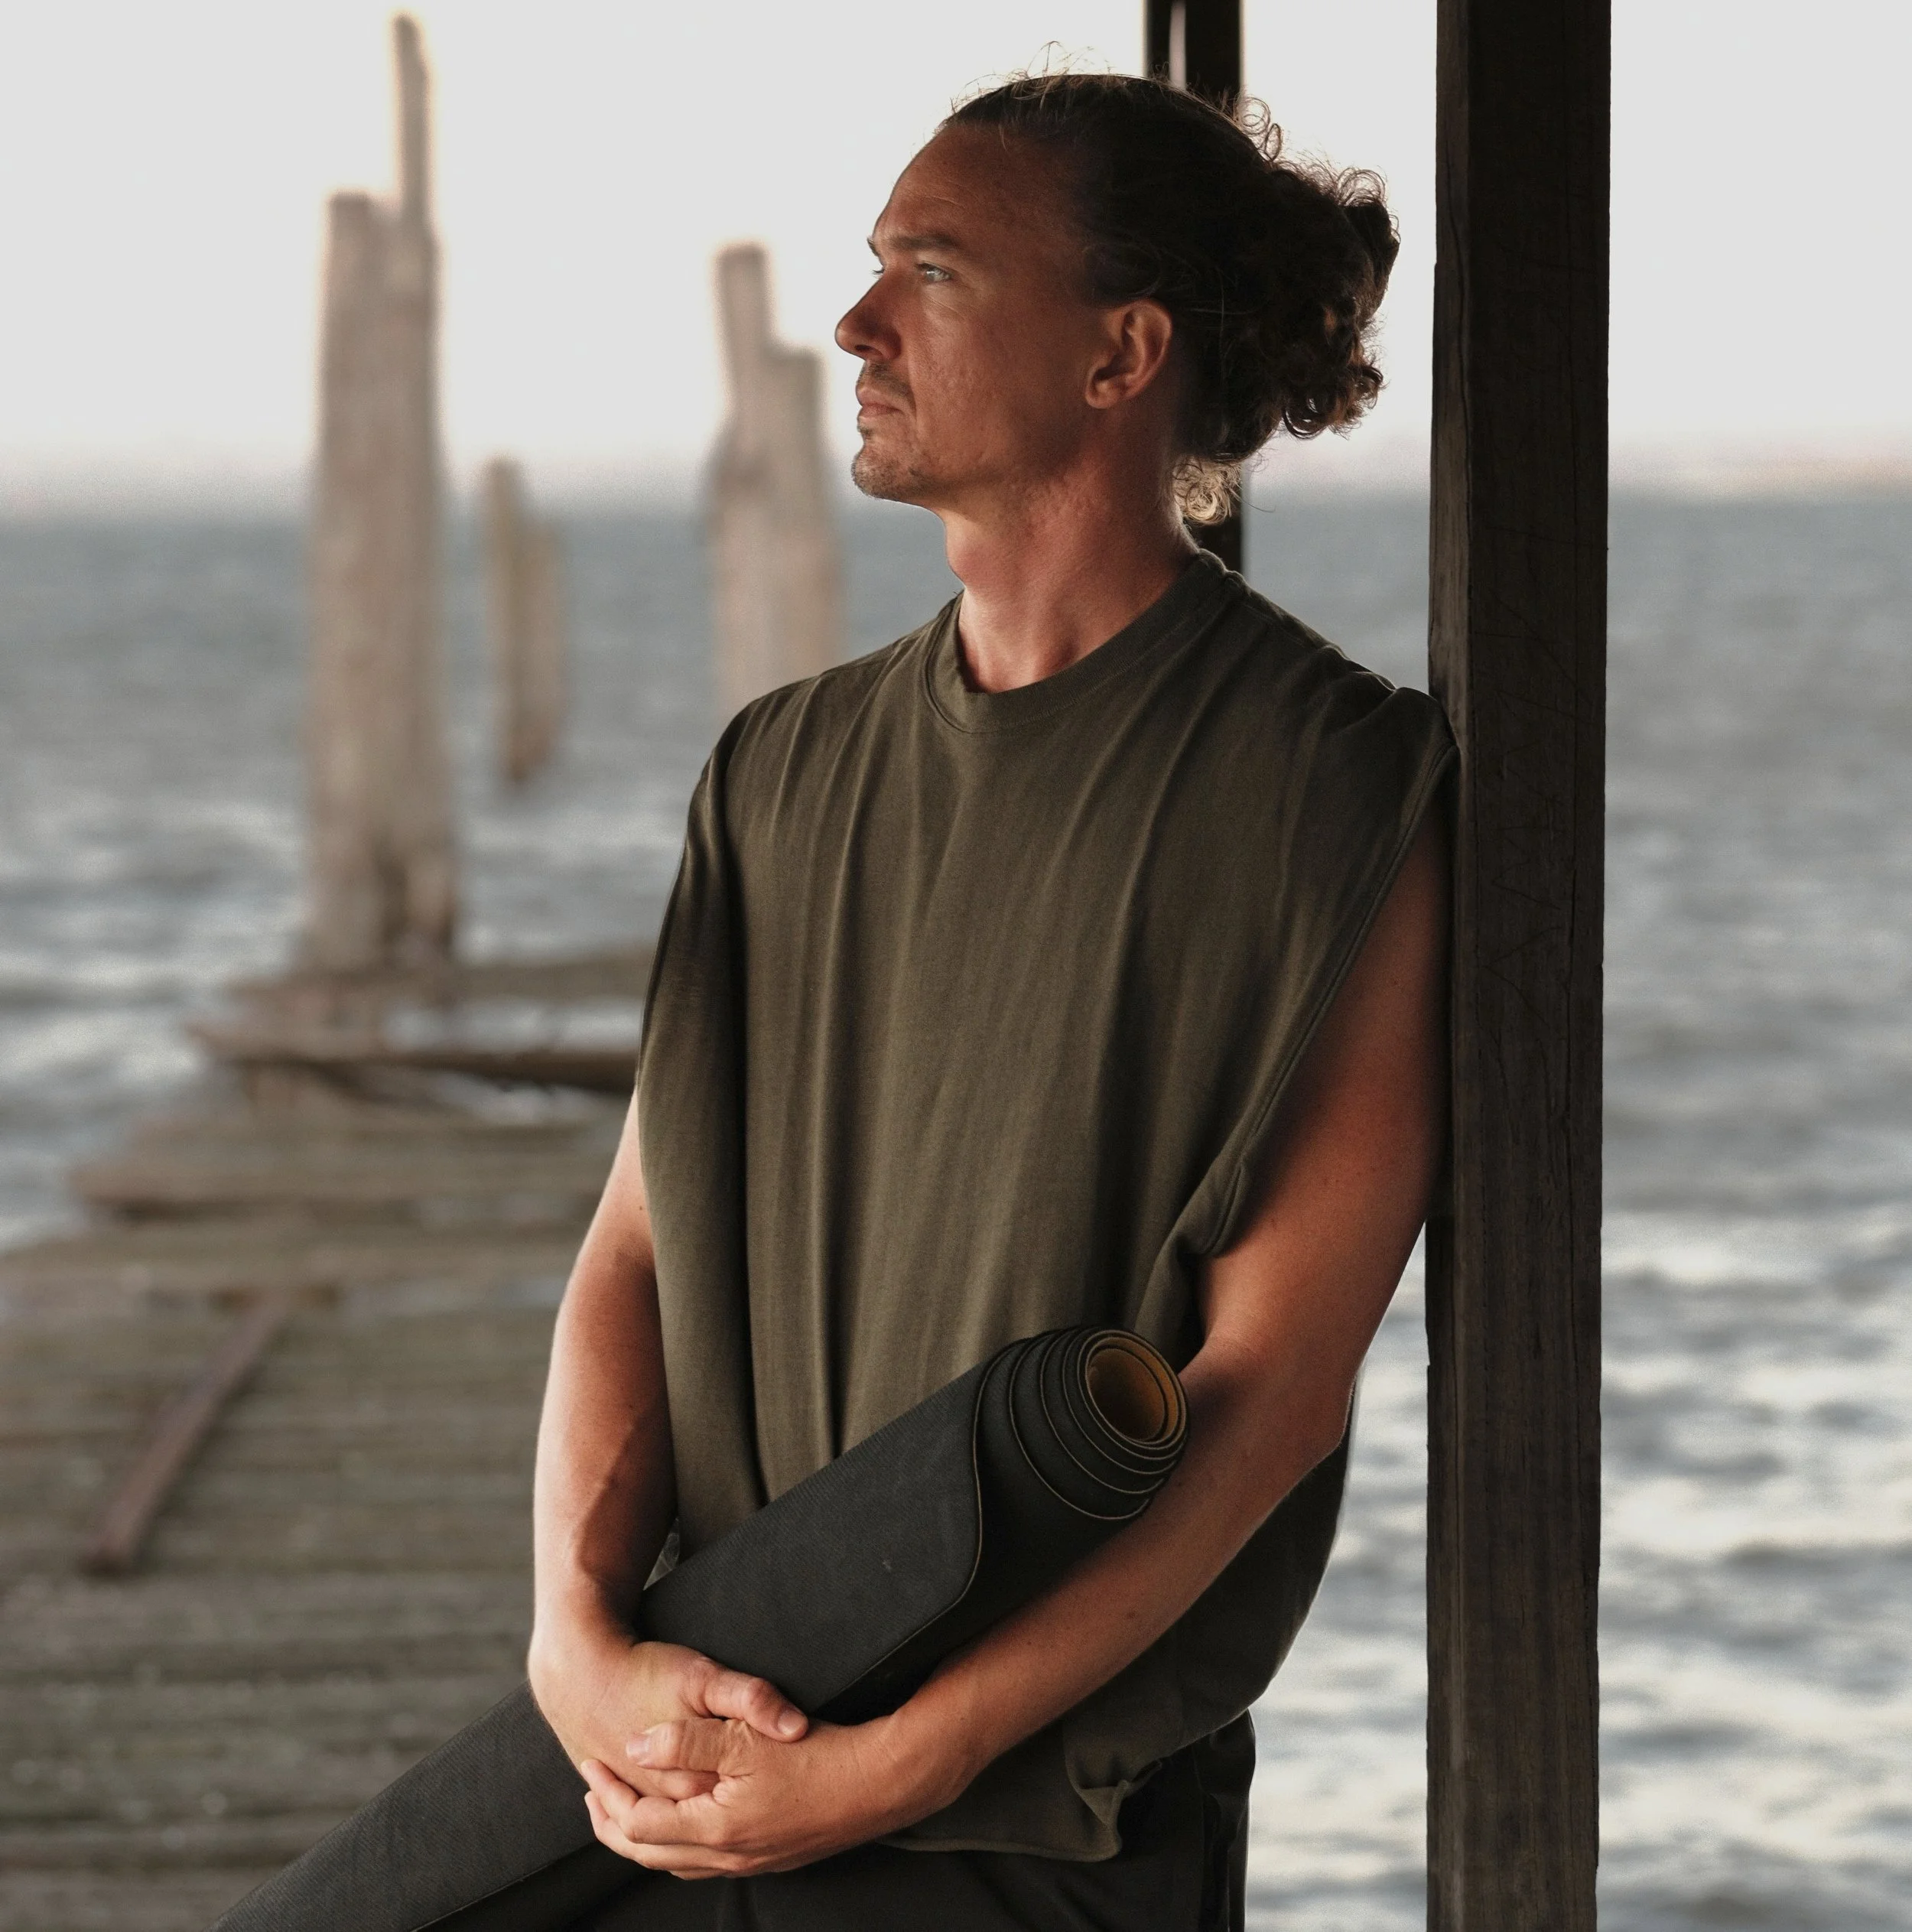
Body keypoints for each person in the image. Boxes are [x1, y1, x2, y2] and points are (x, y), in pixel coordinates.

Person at [213, 70, 1452, 1932]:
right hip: (698, 1731)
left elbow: (1263, 1399)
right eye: (876, 266)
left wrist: (914, 1756)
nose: (854, 323)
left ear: (1121, 354)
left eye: (931, 273)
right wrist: (569, 1641)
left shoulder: (1333, 789)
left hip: (1035, 1837)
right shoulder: (777, 772)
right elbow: (634, 1245)